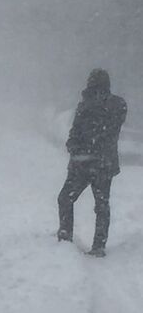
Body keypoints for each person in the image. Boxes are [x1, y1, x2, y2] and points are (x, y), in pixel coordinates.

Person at [57, 68, 127, 257]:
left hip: (88, 163)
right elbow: (78, 132)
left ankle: (67, 238)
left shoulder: (108, 105)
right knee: (101, 205)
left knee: (68, 199)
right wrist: (74, 145)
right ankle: (97, 245)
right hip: (99, 164)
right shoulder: (115, 105)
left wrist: (77, 147)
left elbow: (88, 132)